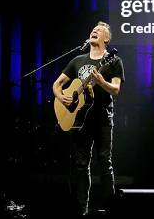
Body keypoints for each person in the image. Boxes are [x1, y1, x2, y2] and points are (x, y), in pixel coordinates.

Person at [53, 21, 124, 216]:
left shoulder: (113, 60)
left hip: (102, 118)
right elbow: (57, 84)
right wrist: (61, 97)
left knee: (104, 161)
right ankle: (81, 210)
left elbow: (116, 89)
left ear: (106, 39)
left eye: (99, 31)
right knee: (82, 164)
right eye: (93, 29)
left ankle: (111, 209)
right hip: (80, 120)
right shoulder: (77, 60)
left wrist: (102, 82)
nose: (94, 31)